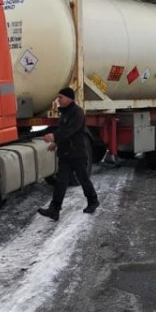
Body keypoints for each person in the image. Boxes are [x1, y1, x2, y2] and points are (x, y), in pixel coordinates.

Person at [38, 87, 99, 221]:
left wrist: (54, 137)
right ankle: (54, 210)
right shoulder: (65, 113)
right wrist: (56, 143)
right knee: (61, 182)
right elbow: (64, 131)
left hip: (77, 153)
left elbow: (70, 131)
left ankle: (93, 201)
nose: (58, 100)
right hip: (65, 154)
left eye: (61, 97)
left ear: (69, 98)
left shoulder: (78, 113)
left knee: (83, 179)